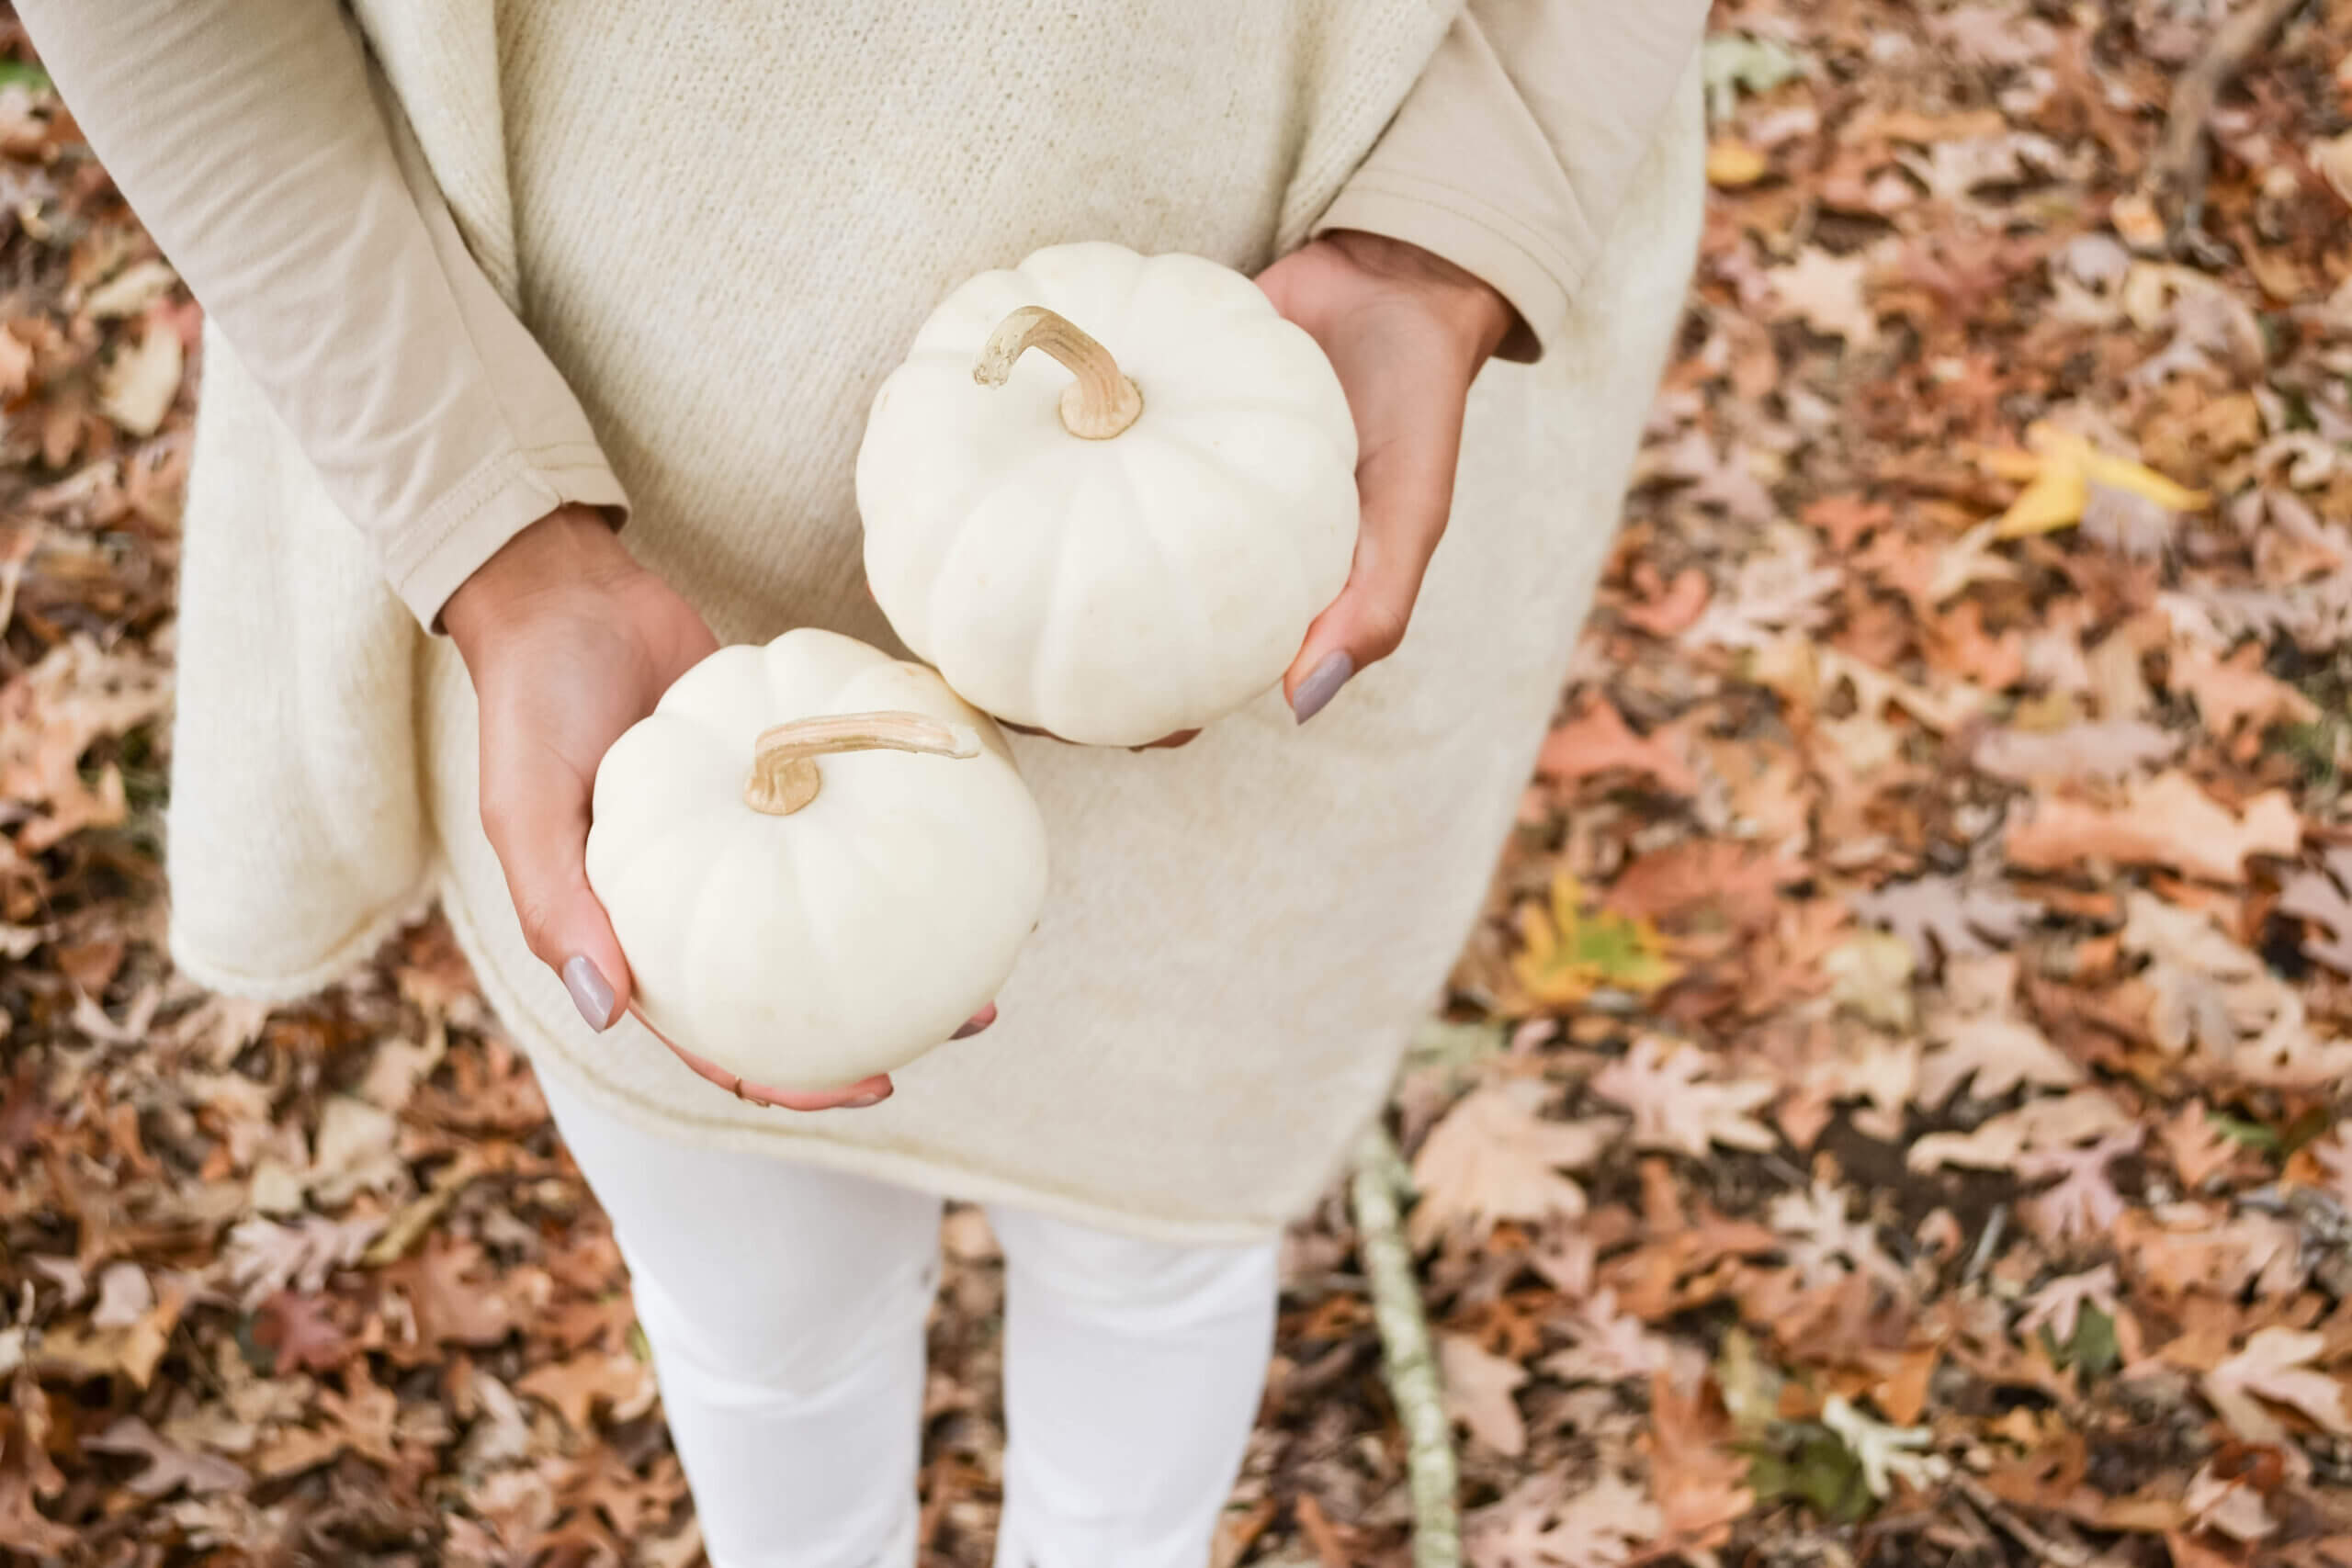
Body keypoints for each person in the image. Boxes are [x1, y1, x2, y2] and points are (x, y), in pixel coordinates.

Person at [23, 4, 1710, 1564]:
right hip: (588, 509)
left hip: (1317, 441)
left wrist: (1457, 228)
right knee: (761, 1309)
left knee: (1163, 1247)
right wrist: (491, 527)